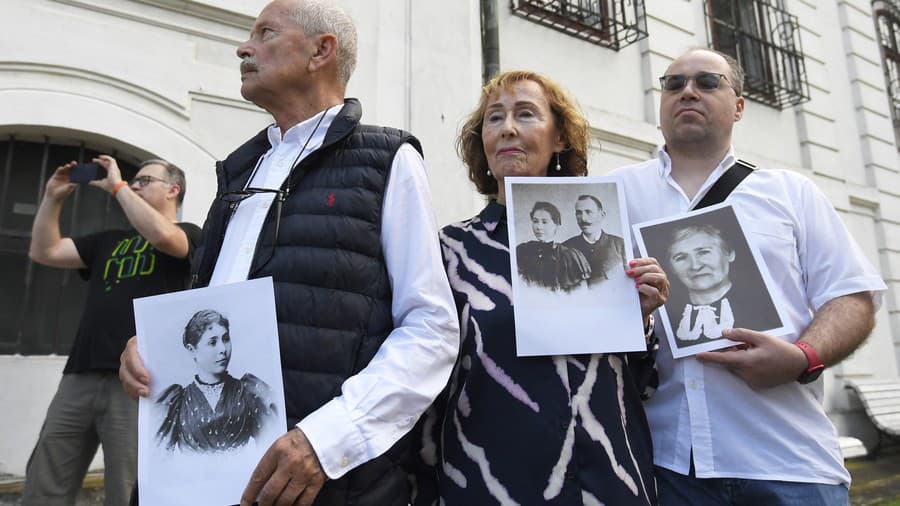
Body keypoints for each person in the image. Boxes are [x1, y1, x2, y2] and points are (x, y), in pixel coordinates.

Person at [119, 1, 459, 505]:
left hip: (319, 484)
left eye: (266, 33)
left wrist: (328, 441)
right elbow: (206, 306)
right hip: (192, 480)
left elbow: (431, 328)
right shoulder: (239, 173)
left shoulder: (389, 160)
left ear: (322, 51)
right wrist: (153, 351)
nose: (243, 46)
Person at [613, 48, 887, 504]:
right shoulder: (613, 193)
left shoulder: (789, 193)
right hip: (666, 466)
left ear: (739, 106)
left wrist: (802, 358)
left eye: (707, 82)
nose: (688, 92)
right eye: (674, 83)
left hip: (787, 461)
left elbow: (851, 298)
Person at [408, 70, 669, 505]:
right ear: (483, 142)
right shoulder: (449, 251)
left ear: (560, 138)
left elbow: (639, 385)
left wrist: (639, 318)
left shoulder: (606, 241)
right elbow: (426, 389)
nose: (508, 128)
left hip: (610, 481)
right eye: (495, 118)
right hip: (490, 484)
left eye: (525, 114)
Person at [24, 155, 201, 505]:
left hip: (140, 382)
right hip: (79, 376)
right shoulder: (108, 241)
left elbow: (164, 236)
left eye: (145, 180)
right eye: (133, 181)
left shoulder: (190, 234)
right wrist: (53, 197)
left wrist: (118, 186)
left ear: (173, 190)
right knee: (44, 485)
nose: (135, 184)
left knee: (128, 489)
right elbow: (44, 250)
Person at [155, 309, 278, 453]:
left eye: (226, 339)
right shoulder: (177, 401)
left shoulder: (249, 392)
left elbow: (273, 447)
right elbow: (158, 460)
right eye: (212, 342)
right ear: (192, 350)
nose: (223, 349)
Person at [516, 201, 591, 291]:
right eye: (535, 221)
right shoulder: (523, 251)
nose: (539, 227)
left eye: (544, 222)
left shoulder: (569, 256)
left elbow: (580, 296)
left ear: (556, 224)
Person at [563, 194, 627, 285]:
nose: (583, 218)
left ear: (602, 215)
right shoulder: (565, 248)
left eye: (588, 212)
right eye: (579, 213)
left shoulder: (620, 245)